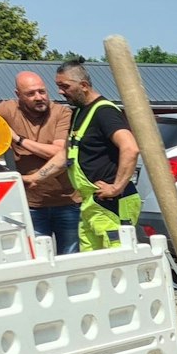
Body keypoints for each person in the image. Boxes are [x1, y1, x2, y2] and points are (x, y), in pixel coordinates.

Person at [52, 59, 140, 251]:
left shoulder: (104, 112)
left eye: (64, 86)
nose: (60, 91)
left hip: (112, 203)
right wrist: (33, 178)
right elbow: (67, 155)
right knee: (93, 263)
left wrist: (116, 187)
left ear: (83, 85)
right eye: (58, 86)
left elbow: (130, 148)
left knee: (118, 262)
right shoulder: (79, 113)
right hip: (92, 204)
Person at [0, 72, 79, 254]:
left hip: (67, 202)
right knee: (37, 258)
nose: (39, 97)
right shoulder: (6, 110)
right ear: (18, 95)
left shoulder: (62, 112)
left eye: (42, 91)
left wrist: (18, 140)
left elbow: (58, 152)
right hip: (30, 205)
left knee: (70, 258)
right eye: (31, 94)